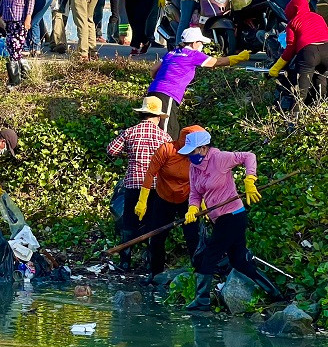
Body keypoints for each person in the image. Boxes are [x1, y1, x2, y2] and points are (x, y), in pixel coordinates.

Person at [180, 129, 283, 311]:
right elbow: (195, 193)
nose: (190, 156)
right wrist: (193, 208)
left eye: (192, 152)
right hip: (219, 218)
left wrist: (250, 179)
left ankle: (202, 299)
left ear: (203, 148)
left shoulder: (219, 158)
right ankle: (275, 294)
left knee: (210, 254)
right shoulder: (194, 168)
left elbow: (249, 156)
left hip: (233, 215)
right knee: (239, 261)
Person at [106, 96, 171, 271]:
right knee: (152, 224)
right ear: (157, 117)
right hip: (155, 187)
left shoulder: (130, 132)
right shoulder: (164, 136)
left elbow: (111, 150)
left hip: (133, 184)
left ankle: (125, 262)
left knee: (129, 223)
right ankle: (151, 263)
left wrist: (128, 152)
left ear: (142, 114)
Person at [147, 27, 248, 135]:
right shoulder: (193, 55)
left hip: (152, 90)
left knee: (153, 124)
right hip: (168, 93)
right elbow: (217, 62)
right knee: (167, 129)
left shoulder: (172, 53)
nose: (202, 45)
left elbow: (153, 69)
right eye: (201, 43)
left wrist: (160, 82)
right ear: (194, 43)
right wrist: (239, 58)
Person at [135, 125, 204, 283]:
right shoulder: (167, 150)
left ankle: (199, 273)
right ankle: (155, 273)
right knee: (157, 237)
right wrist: (142, 201)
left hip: (187, 199)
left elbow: (203, 179)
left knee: (193, 236)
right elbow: (150, 173)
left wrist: (204, 203)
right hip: (163, 197)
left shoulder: (199, 155)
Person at [268, 0, 328, 103]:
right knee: (321, 83)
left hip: (309, 53)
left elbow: (290, 48)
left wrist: (276, 67)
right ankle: (319, 107)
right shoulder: (318, 17)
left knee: (300, 93)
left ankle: (295, 113)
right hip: (326, 49)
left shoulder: (293, 22)